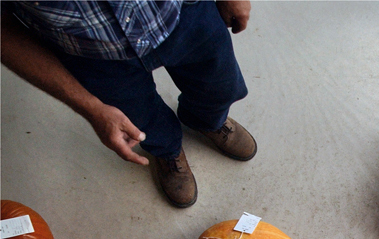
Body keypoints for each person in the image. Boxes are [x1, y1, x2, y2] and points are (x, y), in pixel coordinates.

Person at [1, 0, 257, 208]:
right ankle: (167, 151)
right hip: (92, 54)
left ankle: (207, 120)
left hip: (183, 12)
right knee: (139, 121)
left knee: (220, 87)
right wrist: (90, 107)